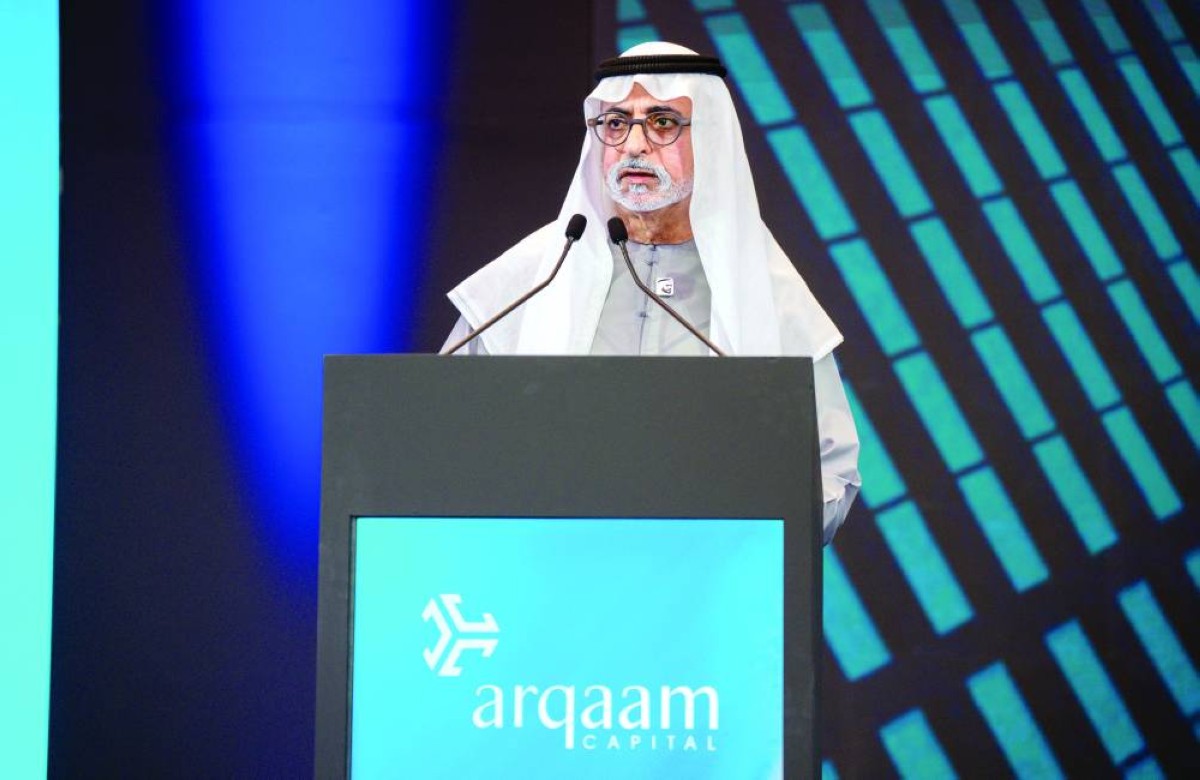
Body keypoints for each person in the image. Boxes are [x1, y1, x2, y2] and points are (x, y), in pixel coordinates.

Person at [442, 42, 861, 543]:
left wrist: (753, 545)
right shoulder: (536, 274)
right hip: (541, 561)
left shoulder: (766, 290)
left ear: (709, 138)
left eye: (662, 123)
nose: (634, 145)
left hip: (707, 570)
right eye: (616, 123)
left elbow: (831, 473)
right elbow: (442, 427)